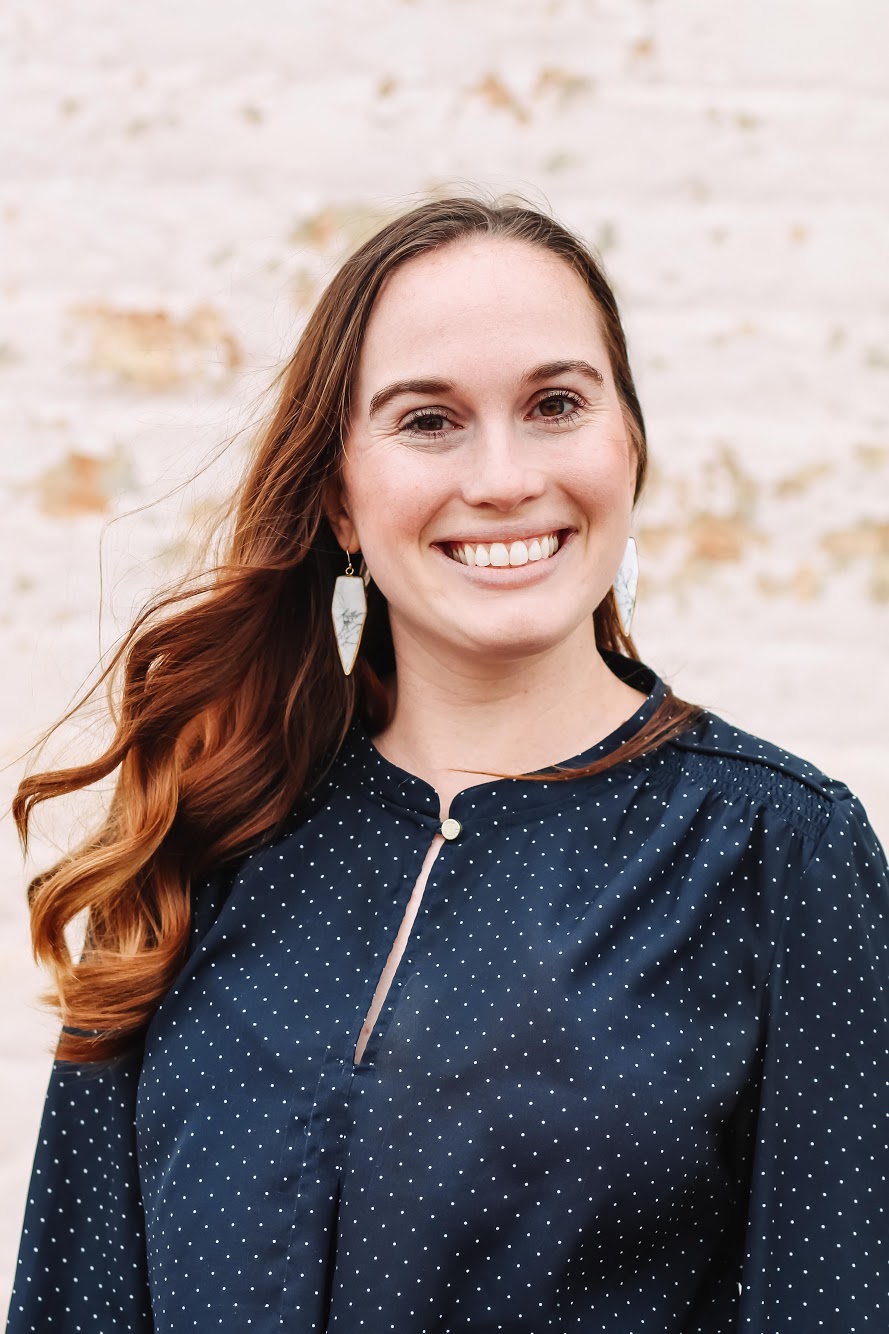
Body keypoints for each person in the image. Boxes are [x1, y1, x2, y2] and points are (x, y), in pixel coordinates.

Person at [6, 196, 888, 1333]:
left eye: (556, 404)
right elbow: (73, 1300)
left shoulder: (778, 850)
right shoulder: (204, 831)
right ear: (339, 499)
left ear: (629, 447)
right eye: (429, 421)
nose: (505, 475)